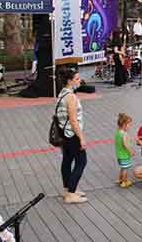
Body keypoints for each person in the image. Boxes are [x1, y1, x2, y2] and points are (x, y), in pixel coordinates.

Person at [56, 68, 88, 204]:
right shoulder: (71, 97)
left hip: (64, 134)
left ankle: (67, 189)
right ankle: (71, 193)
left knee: (67, 160)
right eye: (76, 79)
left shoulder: (62, 94)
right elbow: (73, 120)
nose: (79, 80)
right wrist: (81, 137)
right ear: (69, 81)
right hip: (72, 134)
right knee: (81, 161)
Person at [115, 113, 135, 188]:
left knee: (122, 168)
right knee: (125, 169)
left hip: (119, 155)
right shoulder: (124, 134)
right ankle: (124, 181)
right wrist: (131, 151)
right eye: (129, 125)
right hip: (124, 155)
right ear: (124, 125)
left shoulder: (117, 132)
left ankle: (120, 179)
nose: (129, 127)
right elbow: (125, 144)